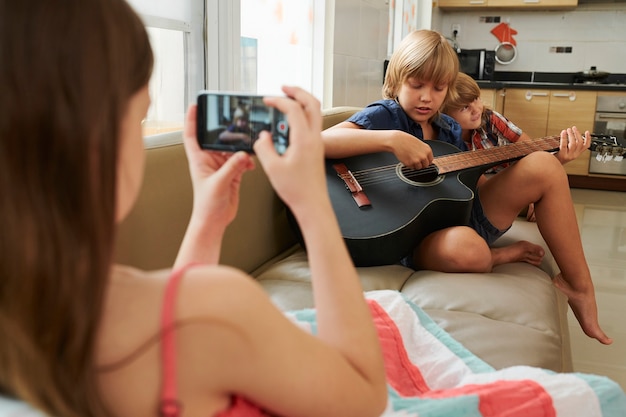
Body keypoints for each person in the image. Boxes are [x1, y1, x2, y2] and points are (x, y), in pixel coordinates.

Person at [0, 1, 388, 417]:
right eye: (141, 118)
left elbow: (177, 322)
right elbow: (362, 397)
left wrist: (208, 217)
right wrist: (312, 204)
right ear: (99, 142)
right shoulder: (218, 308)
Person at [321, 29, 612, 345]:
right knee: (468, 249)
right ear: (395, 82)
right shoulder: (386, 116)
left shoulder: (448, 128)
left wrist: (548, 169)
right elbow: (317, 141)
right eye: (416, 85)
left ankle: (579, 287)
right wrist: (392, 139)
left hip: (449, 218)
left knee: (544, 164)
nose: (426, 97)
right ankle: (497, 256)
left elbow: (464, 185)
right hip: (406, 236)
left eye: (438, 88)